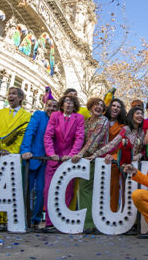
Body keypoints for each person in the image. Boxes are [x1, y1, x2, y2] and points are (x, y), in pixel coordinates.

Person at [0, 87, 31, 230]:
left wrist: (11, 151)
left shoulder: (27, 115)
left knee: (11, 189)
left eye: (13, 94)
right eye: (9, 94)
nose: (10, 96)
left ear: (20, 98)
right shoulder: (1, 113)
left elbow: (22, 137)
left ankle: (9, 219)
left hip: (14, 157)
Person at [43, 95, 85, 231]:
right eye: (66, 101)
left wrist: (72, 155)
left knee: (67, 191)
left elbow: (79, 137)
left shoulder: (79, 118)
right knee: (48, 190)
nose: (69, 104)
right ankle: (49, 222)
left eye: (71, 102)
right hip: (54, 159)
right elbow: (48, 135)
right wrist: (51, 154)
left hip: (68, 160)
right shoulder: (55, 116)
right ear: (62, 104)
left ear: (75, 105)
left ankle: (62, 222)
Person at [71, 97, 109, 234]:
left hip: (96, 159)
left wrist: (80, 154)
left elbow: (93, 141)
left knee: (86, 189)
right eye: (96, 104)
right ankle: (87, 221)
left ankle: (89, 223)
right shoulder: (87, 121)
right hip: (84, 159)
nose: (98, 107)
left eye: (101, 105)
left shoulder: (103, 121)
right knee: (82, 189)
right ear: (90, 106)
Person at [20, 99, 58, 229]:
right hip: (33, 157)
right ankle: (22, 217)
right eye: (49, 106)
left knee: (42, 190)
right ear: (45, 106)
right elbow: (29, 132)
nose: (51, 109)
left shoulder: (59, 119)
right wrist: (25, 150)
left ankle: (35, 219)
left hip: (47, 161)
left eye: (55, 107)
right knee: (26, 189)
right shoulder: (38, 115)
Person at [103, 98, 127, 212]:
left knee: (113, 188)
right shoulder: (101, 121)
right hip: (98, 158)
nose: (115, 108)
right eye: (113, 105)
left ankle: (112, 212)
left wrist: (115, 157)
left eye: (118, 106)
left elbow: (122, 145)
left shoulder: (123, 126)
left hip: (113, 160)